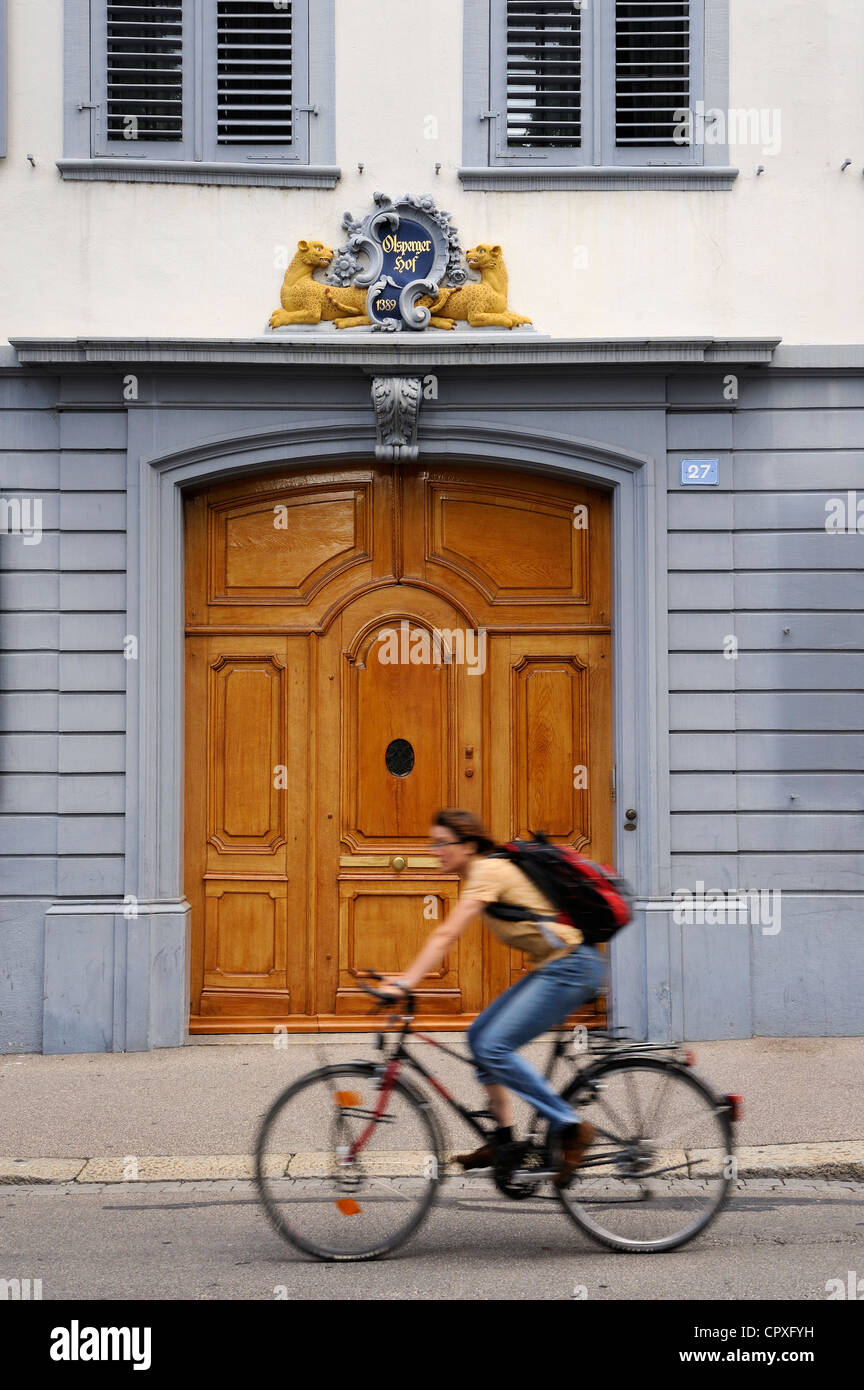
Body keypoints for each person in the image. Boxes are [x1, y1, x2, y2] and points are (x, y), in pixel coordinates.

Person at [377, 808, 606, 1187]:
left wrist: (406, 983)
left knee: (495, 1047)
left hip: (572, 968)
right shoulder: (482, 872)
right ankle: (503, 1142)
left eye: (442, 844)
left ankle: (569, 1125)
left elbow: (446, 935)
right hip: (558, 966)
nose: (435, 851)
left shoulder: (486, 871)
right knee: (479, 1038)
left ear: (467, 846)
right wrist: (404, 977)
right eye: (432, 843)